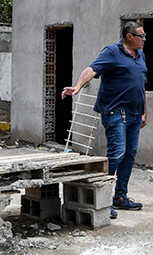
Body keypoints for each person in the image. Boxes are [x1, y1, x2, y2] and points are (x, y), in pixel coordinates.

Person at [61, 21, 147, 219]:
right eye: (141, 36)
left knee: (129, 154)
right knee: (117, 153)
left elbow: (140, 84)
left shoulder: (140, 55)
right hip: (115, 111)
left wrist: (144, 111)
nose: (144, 39)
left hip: (135, 114)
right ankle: (104, 198)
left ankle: (120, 197)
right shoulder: (112, 52)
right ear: (129, 36)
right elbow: (91, 70)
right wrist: (77, 87)